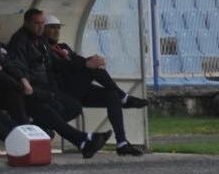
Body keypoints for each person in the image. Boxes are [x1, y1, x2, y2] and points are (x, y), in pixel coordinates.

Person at [7, 8, 111, 158]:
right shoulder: (19, 41)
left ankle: (41, 130)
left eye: (42, 23)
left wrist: (85, 63)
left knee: (73, 107)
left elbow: (53, 64)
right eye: (37, 23)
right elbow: (21, 70)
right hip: (30, 91)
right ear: (27, 23)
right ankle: (83, 140)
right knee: (53, 109)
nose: (40, 27)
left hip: (47, 88)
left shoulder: (41, 40)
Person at [41, 14, 144, 155]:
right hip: (62, 91)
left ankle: (122, 143)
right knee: (91, 66)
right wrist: (88, 63)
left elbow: (78, 61)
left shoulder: (63, 47)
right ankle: (124, 97)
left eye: (58, 28)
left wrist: (93, 61)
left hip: (78, 88)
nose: (56, 31)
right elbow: (61, 66)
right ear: (43, 29)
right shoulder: (43, 47)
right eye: (52, 27)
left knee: (110, 95)